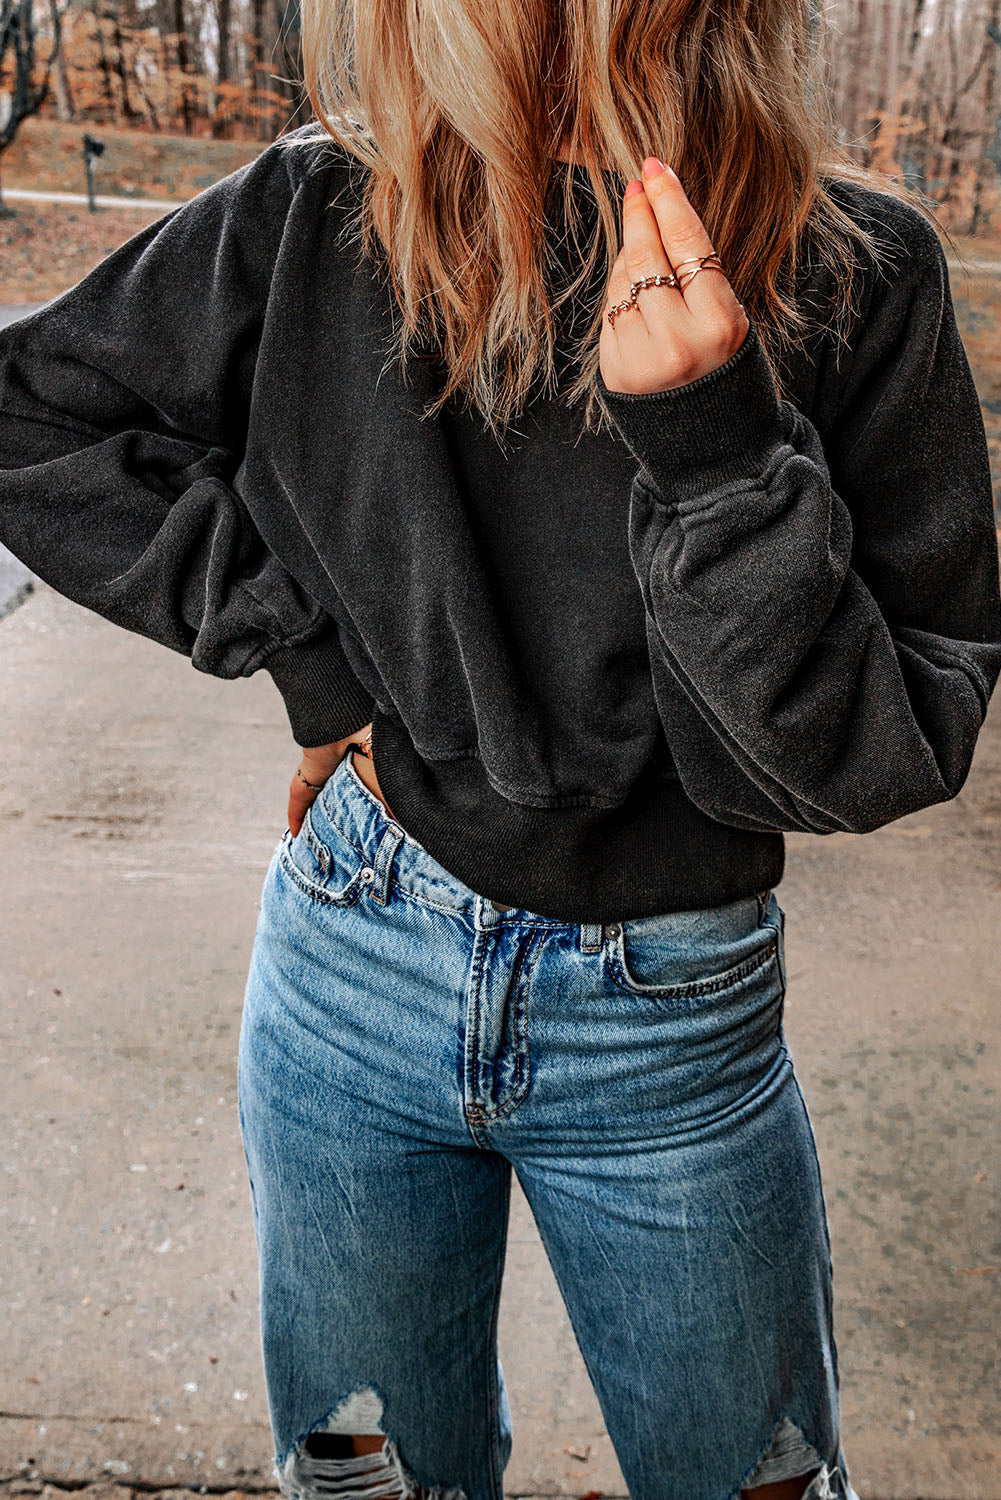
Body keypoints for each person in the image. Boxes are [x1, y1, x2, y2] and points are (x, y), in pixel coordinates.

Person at [2, 1, 1000, 1497]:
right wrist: (310, 656)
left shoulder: (856, 270)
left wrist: (723, 462)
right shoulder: (323, 209)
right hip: (354, 952)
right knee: (359, 1477)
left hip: (670, 1018)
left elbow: (873, 753)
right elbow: (32, 417)